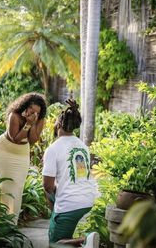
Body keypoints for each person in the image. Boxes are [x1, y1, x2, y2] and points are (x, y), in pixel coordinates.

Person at [42, 99, 99, 248]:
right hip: (90, 199)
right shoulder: (83, 146)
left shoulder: (53, 149)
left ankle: (84, 241)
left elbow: (47, 186)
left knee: (54, 243)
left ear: (59, 124)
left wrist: (56, 188)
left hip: (70, 204)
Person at [0, 92, 47, 224]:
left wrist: (33, 123)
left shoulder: (39, 121)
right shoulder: (14, 116)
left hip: (22, 154)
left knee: (18, 188)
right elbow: (15, 139)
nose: (34, 114)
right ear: (25, 106)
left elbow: (33, 140)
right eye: (31, 110)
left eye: (37, 113)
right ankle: (1, 221)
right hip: (4, 150)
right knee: (6, 186)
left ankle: (12, 224)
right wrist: (27, 124)